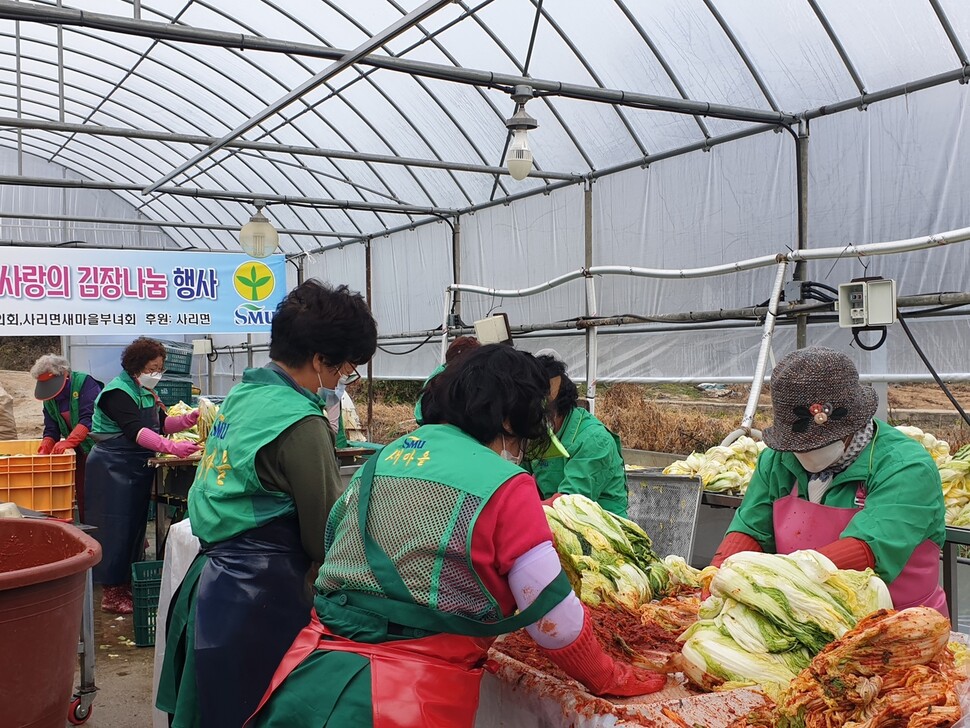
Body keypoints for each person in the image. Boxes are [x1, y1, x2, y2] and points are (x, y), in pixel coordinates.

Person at [247, 345, 666, 728]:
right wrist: (612, 675)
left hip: (311, 674)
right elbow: (553, 619)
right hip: (403, 699)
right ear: (507, 419)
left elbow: (335, 539)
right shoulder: (506, 484)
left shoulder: (388, 456)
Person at [157, 280, 378, 728]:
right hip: (261, 599)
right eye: (344, 369)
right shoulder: (301, 422)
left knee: (214, 710)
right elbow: (324, 536)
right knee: (254, 710)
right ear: (320, 360)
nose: (341, 381)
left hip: (212, 584)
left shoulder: (239, 398)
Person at [710, 346, 947, 617]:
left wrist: (780, 582)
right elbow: (752, 529)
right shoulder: (776, 460)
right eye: (798, 444)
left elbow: (870, 548)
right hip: (804, 615)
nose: (806, 451)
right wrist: (719, 573)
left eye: (819, 443)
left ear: (853, 426)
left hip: (900, 623)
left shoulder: (905, 466)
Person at [85, 337, 201, 614]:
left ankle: (125, 585)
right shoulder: (117, 393)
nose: (157, 374)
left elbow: (160, 424)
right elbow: (136, 430)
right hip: (111, 468)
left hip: (135, 468)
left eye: (160, 368)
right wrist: (172, 447)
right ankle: (111, 593)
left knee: (134, 530)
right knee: (114, 530)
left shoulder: (146, 392)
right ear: (136, 366)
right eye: (152, 367)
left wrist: (189, 419)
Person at [528, 353, 628, 517]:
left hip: (598, 532)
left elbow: (569, 504)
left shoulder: (594, 440)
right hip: (556, 523)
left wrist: (521, 510)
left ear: (552, 410)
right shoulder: (536, 434)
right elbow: (516, 476)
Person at [30, 354, 103, 520]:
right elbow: (51, 428)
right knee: (83, 493)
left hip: (101, 448)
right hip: (79, 450)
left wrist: (68, 442)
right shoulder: (49, 397)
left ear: (65, 374)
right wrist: (45, 447)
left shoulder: (85, 383)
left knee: (103, 493)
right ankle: (88, 531)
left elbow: (89, 418)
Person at [413, 335, 479, 424]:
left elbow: (419, 414)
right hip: (446, 427)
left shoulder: (440, 370)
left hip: (428, 423)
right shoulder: (461, 378)